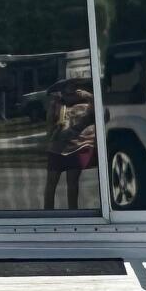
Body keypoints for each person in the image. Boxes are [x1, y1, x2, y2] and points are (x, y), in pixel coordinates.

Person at [43, 80, 97, 211]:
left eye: (74, 89)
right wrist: (52, 125)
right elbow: (50, 124)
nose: (71, 92)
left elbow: (100, 113)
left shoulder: (87, 104)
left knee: (72, 183)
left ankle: (73, 212)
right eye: (67, 89)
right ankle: (47, 213)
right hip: (57, 147)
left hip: (77, 147)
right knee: (51, 183)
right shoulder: (58, 104)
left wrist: (89, 96)